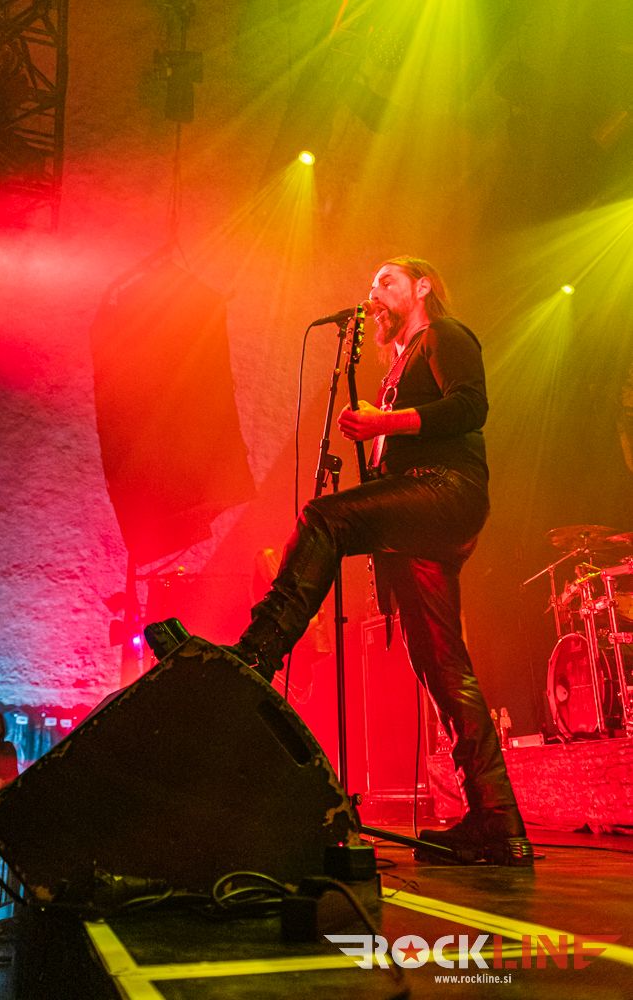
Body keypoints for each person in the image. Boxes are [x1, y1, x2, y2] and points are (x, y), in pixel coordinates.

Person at [149, 256, 532, 866]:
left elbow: (470, 407)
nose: (373, 292)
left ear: (423, 286)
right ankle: (498, 821)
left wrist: (385, 422)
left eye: (387, 280)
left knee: (325, 517)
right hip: (421, 512)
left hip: (445, 490)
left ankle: (259, 653)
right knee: (440, 664)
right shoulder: (398, 363)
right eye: (372, 284)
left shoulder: (444, 333)